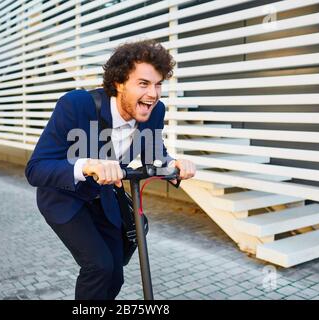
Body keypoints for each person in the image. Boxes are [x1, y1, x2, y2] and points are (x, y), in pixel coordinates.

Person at [25, 39, 196, 300]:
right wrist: (88, 165)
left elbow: (153, 153)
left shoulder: (154, 110)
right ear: (119, 83)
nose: (153, 94)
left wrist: (173, 164)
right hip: (64, 198)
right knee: (99, 266)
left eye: (158, 84)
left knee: (115, 273)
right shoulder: (76, 105)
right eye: (143, 84)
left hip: (104, 197)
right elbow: (36, 169)